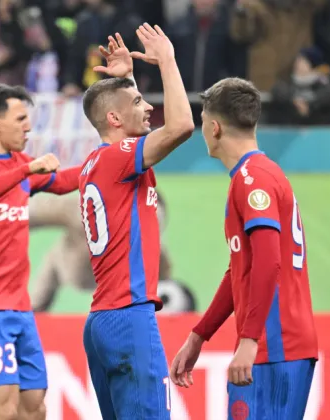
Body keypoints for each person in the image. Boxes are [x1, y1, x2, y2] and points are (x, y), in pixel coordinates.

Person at [170, 77, 318, 419]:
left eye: (203, 123)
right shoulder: (254, 174)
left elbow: (268, 262)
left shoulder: (254, 179)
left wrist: (250, 340)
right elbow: (242, 269)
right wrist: (199, 335)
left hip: (275, 347)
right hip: (273, 346)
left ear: (215, 127)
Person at [78, 25, 194, 419]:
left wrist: (126, 78)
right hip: (129, 317)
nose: (148, 108)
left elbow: (123, 109)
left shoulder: (96, 162)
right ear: (114, 118)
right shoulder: (120, 157)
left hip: (102, 320)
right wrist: (167, 60)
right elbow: (181, 126)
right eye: (139, 101)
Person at [0, 83, 81, 419]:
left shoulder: (21, 163)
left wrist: (108, 161)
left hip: (20, 306)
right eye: (21, 118)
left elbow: (62, 182)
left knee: (34, 405)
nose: (28, 126)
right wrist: (25, 171)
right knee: (2, 407)